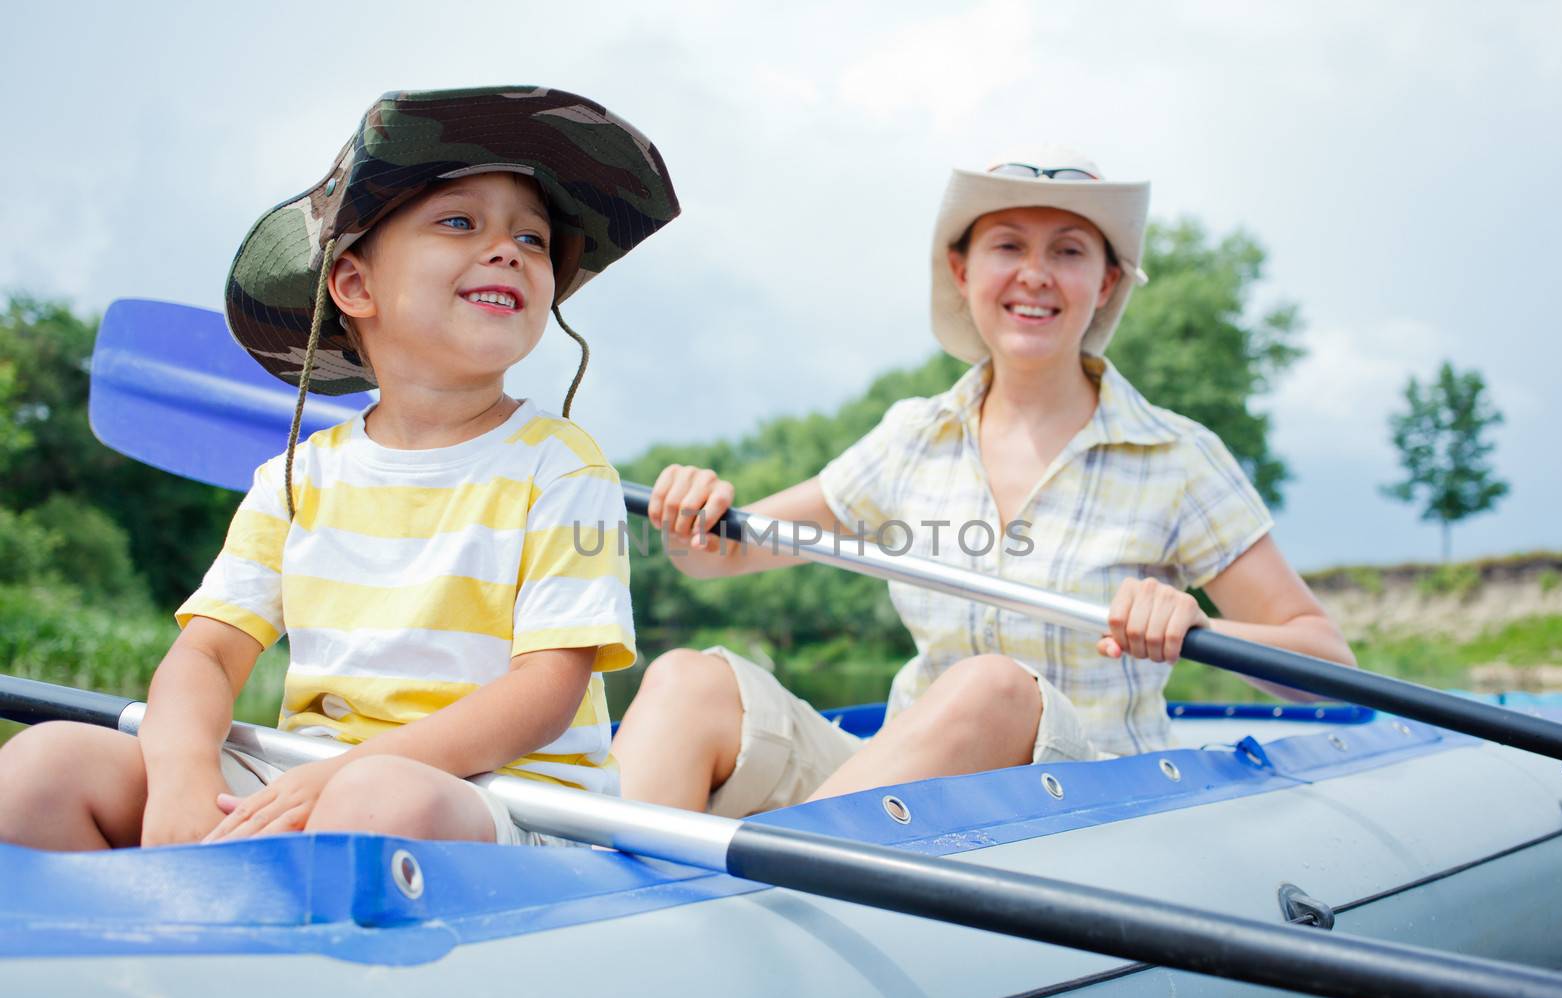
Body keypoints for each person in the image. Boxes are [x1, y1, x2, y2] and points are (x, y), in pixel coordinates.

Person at [0, 87, 679, 850]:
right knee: (40, 768)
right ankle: (145, 951)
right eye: (460, 221)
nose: (510, 250)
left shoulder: (561, 464)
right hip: (311, 777)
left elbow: (545, 692)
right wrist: (184, 773)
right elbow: (207, 653)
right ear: (355, 285)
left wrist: (346, 775)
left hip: (507, 805)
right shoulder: (297, 476)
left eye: (534, 238)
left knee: (377, 798)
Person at [611, 149, 1355, 816]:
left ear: (1108, 283)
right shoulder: (912, 435)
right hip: (909, 777)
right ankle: (616, 918)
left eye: (1068, 250)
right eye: (1008, 246)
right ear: (963, 272)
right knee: (686, 678)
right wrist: (692, 516)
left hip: (1089, 793)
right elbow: (721, 554)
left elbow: (1325, 664)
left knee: (993, 686)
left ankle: (755, 889)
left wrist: (1197, 626)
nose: (1035, 273)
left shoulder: (1178, 456)